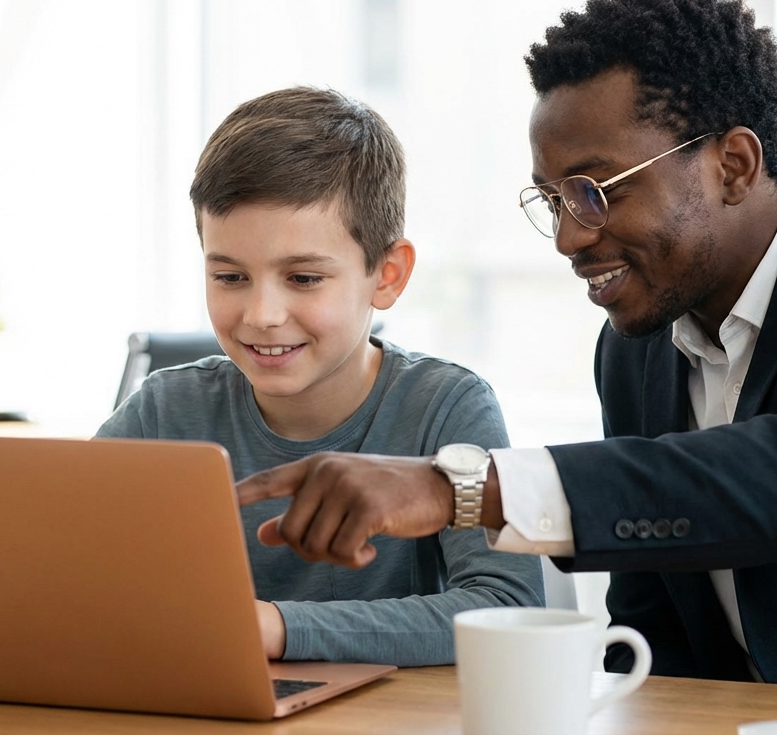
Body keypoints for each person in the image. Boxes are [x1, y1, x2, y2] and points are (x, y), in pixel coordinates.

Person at [234, 0, 777, 698]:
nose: (568, 237)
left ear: (734, 165)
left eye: (596, 191)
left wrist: (461, 487)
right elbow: (651, 627)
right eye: (553, 199)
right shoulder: (634, 347)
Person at [96, 86, 543, 668]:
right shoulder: (163, 409)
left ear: (387, 275)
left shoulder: (447, 406)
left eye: (304, 279)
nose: (262, 315)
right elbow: (59, 561)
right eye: (230, 277)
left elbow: (506, 606)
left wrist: (279, 628)